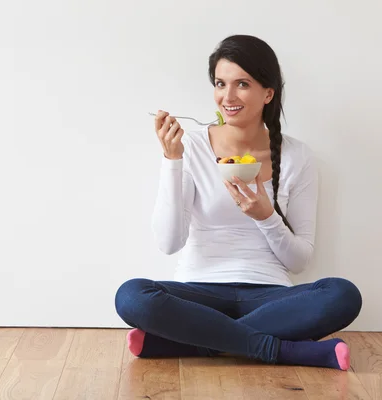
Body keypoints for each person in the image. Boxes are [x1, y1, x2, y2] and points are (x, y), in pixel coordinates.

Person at [114, 34, 362, 370]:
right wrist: (173, 160)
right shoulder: (193, 148)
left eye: (242, 84)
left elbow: (300, 261)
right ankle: (286, 351)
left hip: (270, 296)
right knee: (131, 296)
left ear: (268, 92)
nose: (227, 97)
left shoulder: (296, 156)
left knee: (343, 294)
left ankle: (196, 343)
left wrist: (266, 216)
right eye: (220, 83)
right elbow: (169, 243)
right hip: (199, 294)